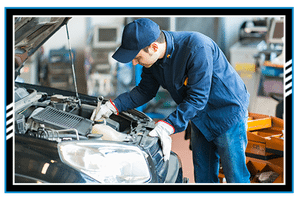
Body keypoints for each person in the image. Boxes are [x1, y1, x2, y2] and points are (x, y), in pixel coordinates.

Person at [91, 18, 251, 183]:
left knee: (236, 176)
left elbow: (198, 97)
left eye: (137, 57)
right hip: (199, 117)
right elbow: (145, 91)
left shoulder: (197, 47)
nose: (134, 62)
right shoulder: (152, 61)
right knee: (203, 175)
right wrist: (113, 106)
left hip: (227, 113)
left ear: (154, 47)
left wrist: (168, 125)